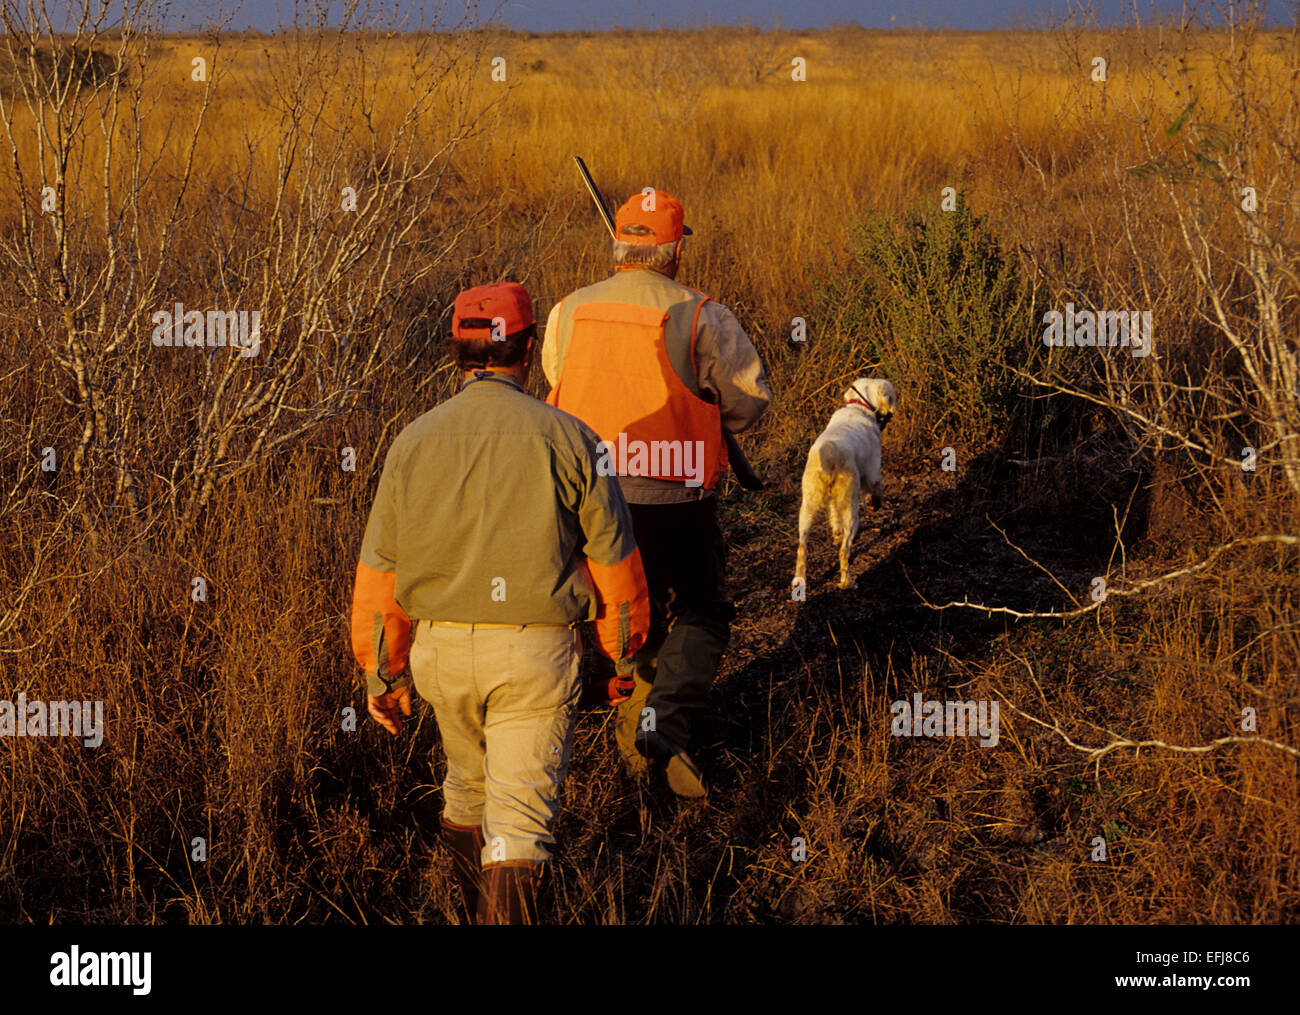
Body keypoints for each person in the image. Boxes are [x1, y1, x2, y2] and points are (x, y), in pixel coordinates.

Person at [350, 281, 650, 924]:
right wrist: (619, 665)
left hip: (440, 655)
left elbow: (378, 577)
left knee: (468, 789)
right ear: (530, 346)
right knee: (518, 825)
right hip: (534, 656)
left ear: (457, 352)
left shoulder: (412, 441)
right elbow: (618, 573)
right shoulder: (572, 438)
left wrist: (382, 675)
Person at [543, 190, 771, 798]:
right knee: (702, 611)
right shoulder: (702, 315)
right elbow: (748, 405)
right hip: (676, 503)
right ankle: (660, 728)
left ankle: (634, 729)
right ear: (674, 252)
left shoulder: (570, 310)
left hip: (586, 502)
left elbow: (556, 377)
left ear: (619, 247)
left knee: (624, 608)